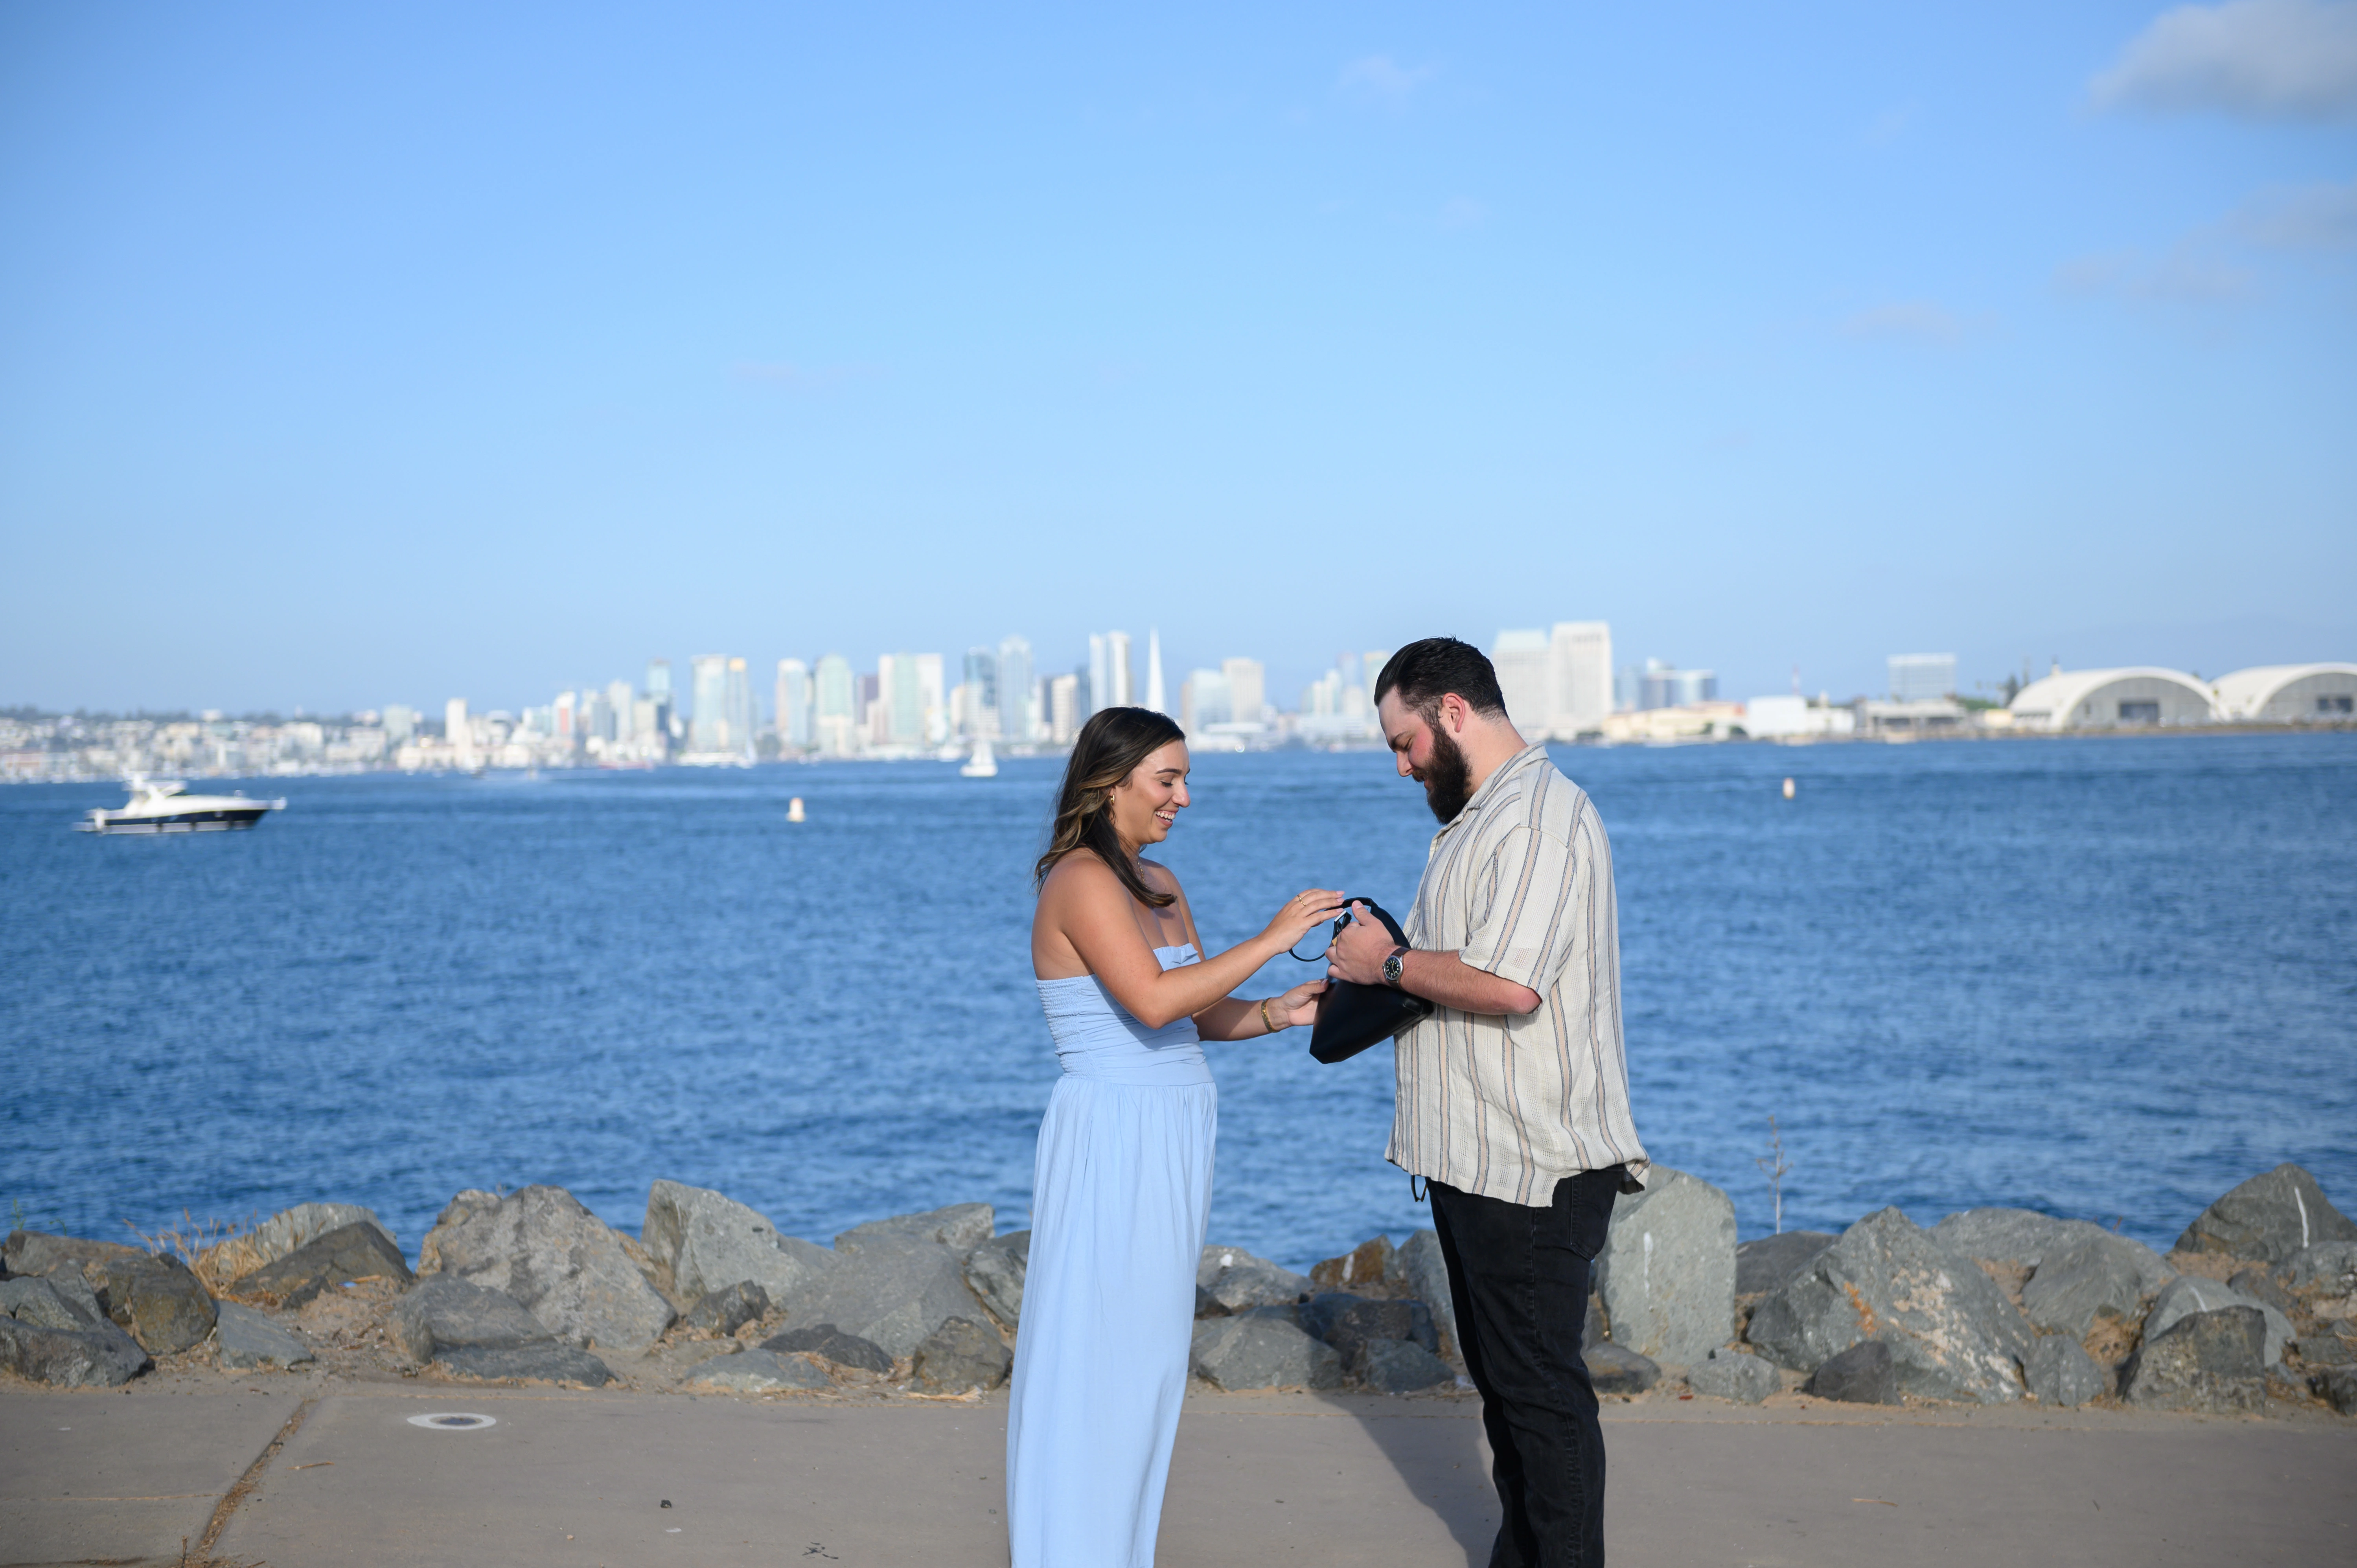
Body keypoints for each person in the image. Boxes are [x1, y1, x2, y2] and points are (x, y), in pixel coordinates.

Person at [1327, 637, 1649, 1568]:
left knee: (1541, 1395)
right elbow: (1469, 969)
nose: (1400, 765)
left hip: (1534, 1164)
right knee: (1513, 1394)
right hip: (1482, 1157)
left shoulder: (1537, 820)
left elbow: (1510, 985)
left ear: (1454, 712)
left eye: (1404, 743)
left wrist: (1384, 963)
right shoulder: (1485, 818)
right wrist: (1392, 957)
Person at [1006, 705, 1341, 1568]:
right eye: (1168, 778)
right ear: (1109, 781)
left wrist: (1278, 1010)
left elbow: (1190, 1011)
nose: (1184, 796)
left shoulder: (1160, 883)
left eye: (1186, 778)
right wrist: (1272, 939)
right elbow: (1153, 1001)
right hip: (1113, 1135)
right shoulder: (1080, 879)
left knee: (1149, 1364)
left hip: (1173, 1134)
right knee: (1098, 1358)